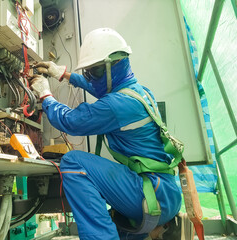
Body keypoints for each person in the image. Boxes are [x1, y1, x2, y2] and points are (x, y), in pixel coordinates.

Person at [31, 28, 182, 240]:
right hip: (164, 193)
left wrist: (46, 95)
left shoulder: (118, 105)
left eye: (96, 72)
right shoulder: (140, 91)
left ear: (114, 66)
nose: (91, 78)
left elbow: (70, 122)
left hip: (152, 194)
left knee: (74, 161)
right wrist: (63, 74)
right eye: (88, 73)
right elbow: (103, 88)